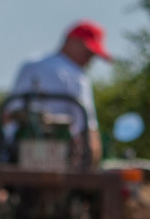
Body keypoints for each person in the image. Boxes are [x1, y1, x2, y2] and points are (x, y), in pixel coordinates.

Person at [7, 20, 112, 164]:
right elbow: (87, 130)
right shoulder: (77, 76)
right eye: (88, 52)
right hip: (61, 160)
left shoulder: (30, 65)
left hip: (15, 155)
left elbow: (8, 115)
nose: (90, 59)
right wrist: (92, 169)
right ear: (71, 42)